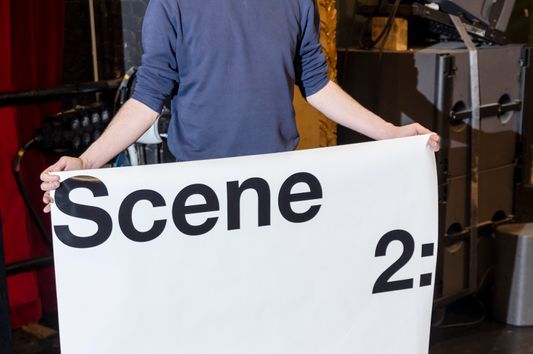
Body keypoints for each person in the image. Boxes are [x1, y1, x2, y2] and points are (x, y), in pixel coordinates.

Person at [41, 0, 439, 210]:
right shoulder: (171, 3)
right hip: (201, 188)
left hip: (277, 185)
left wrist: (390, 133)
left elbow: (317, 86)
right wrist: (87, 162)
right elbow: (147, 97)